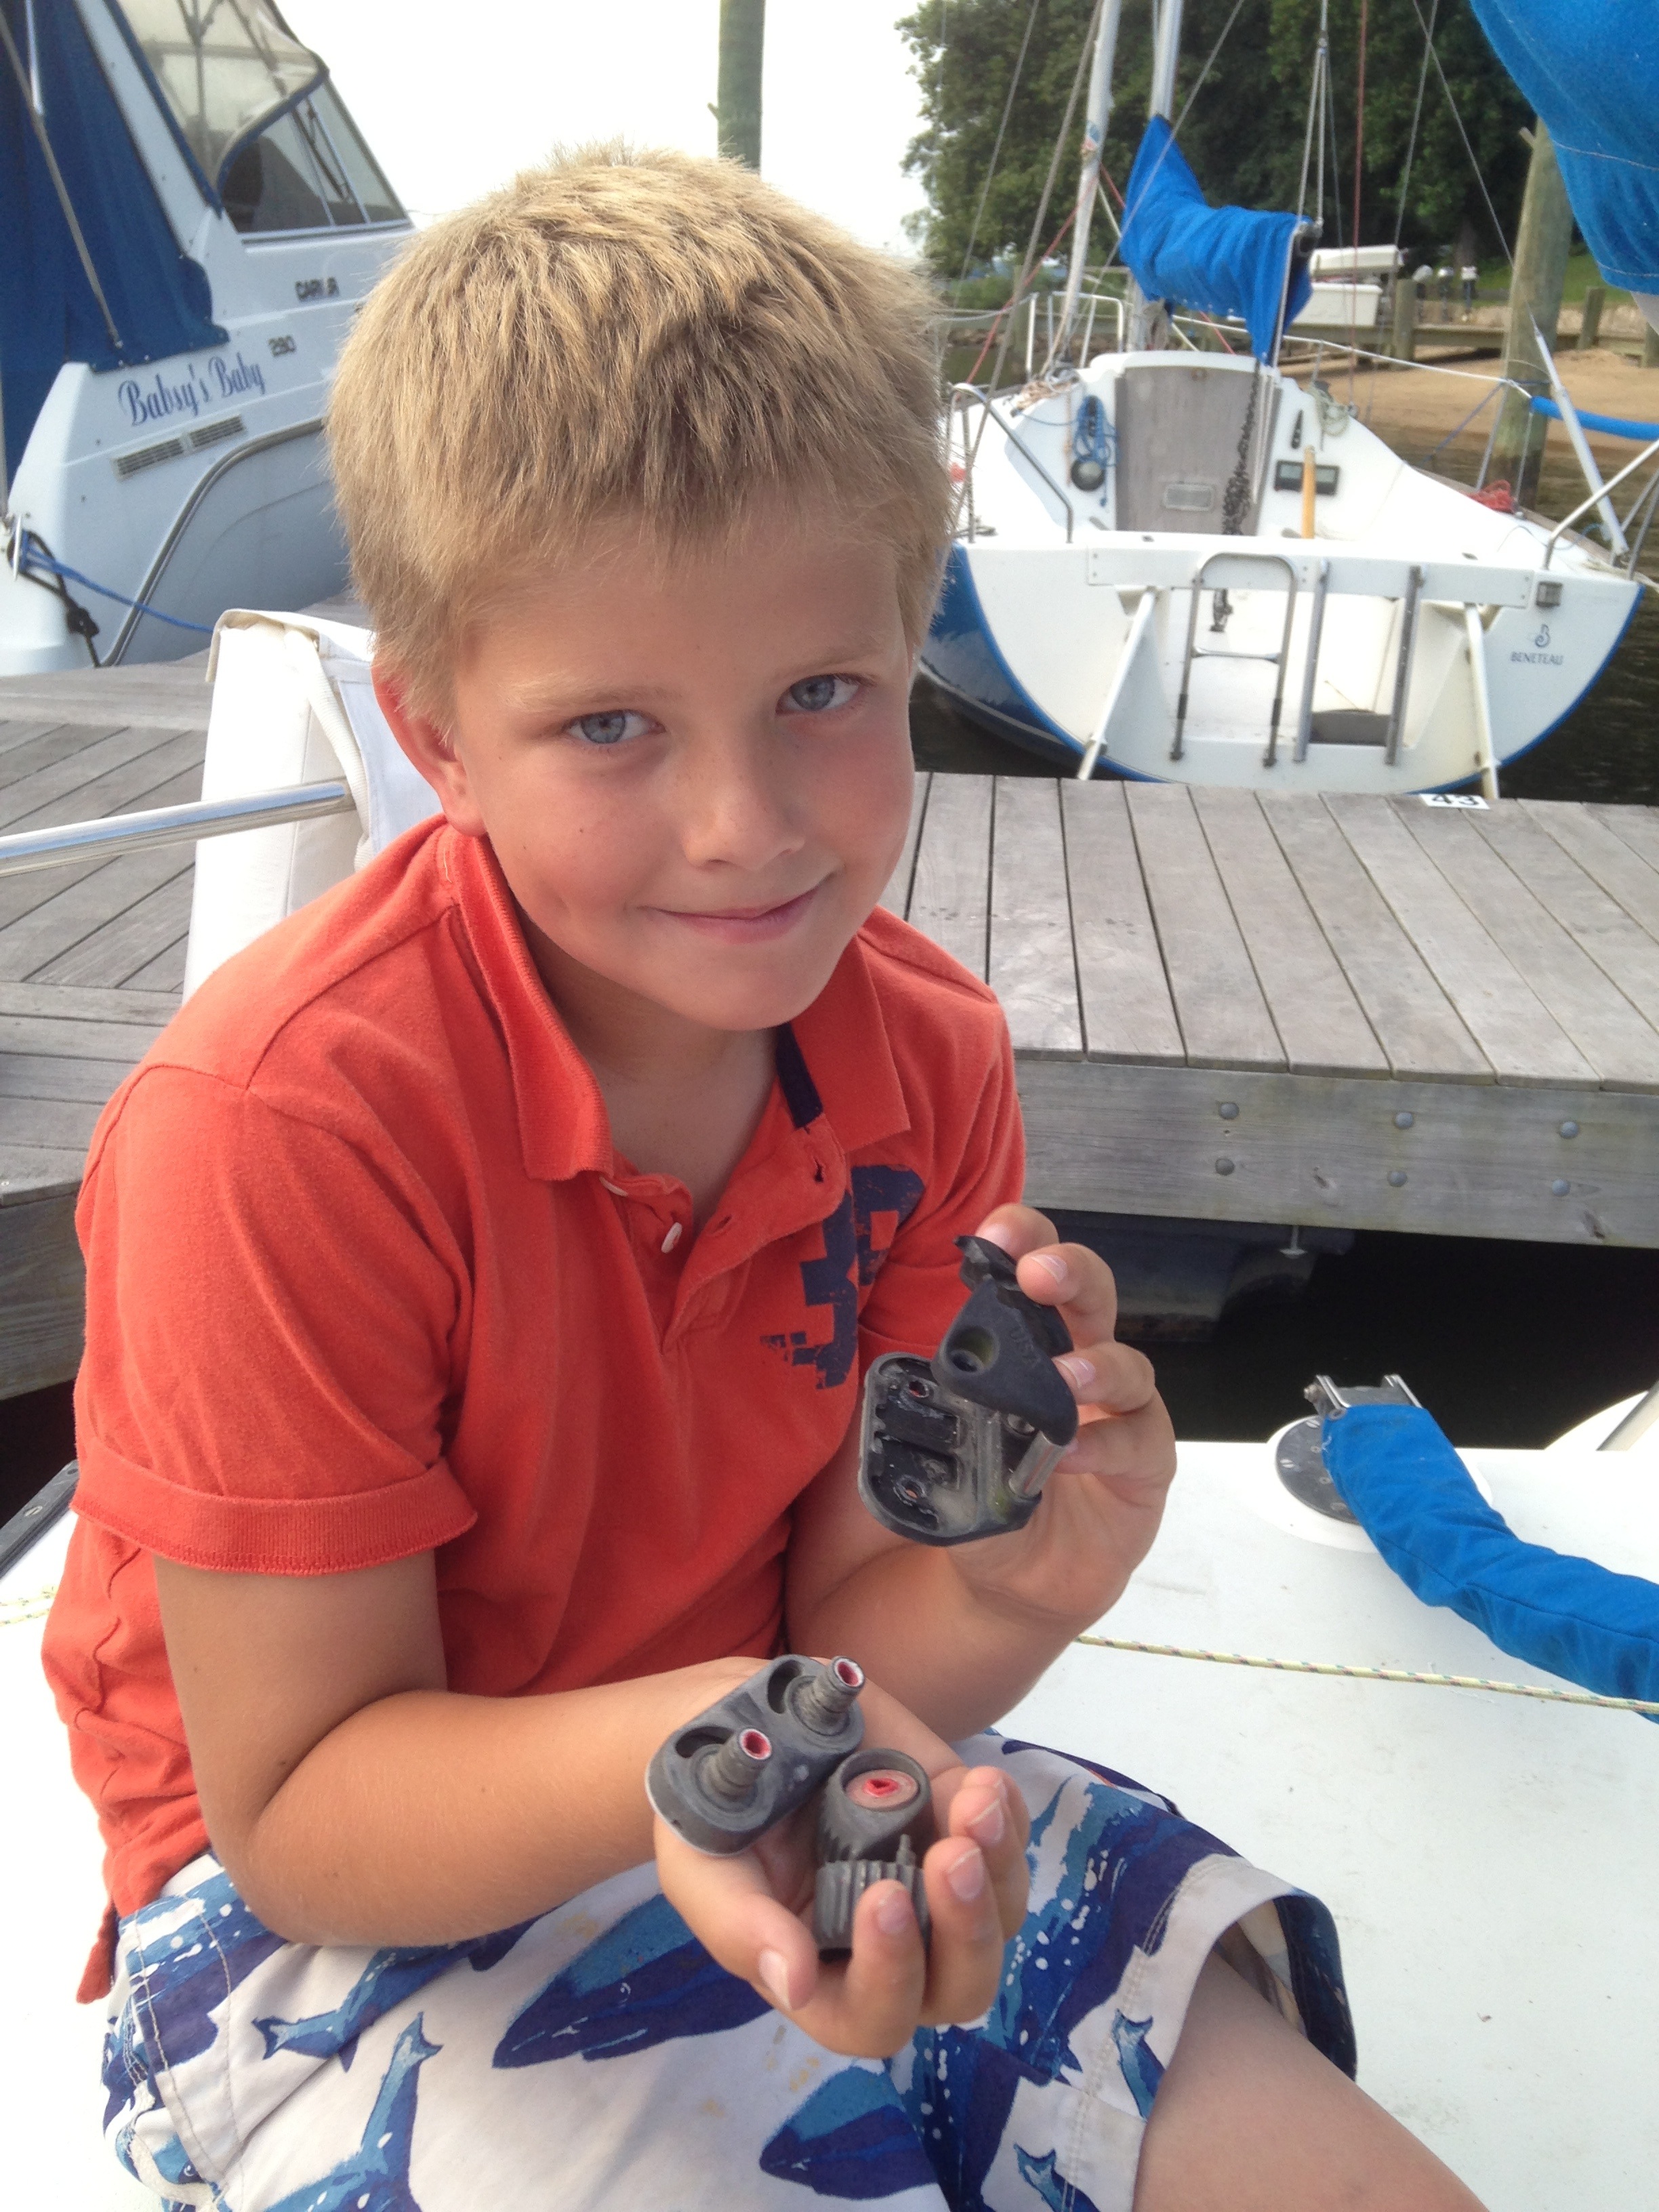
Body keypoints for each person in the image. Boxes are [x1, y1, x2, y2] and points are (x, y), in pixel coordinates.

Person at [44, 148, 1486, 2212]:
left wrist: (1006, 1588)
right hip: (321, 1913)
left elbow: (847, 1618)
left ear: (911, 641)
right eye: (610, 727)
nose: (744, 825)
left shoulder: (932, 1065)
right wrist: (727, 1750)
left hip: (772, 1745)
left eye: (822, 694)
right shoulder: (277, 1130)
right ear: (438, 737)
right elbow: (295, 1808)